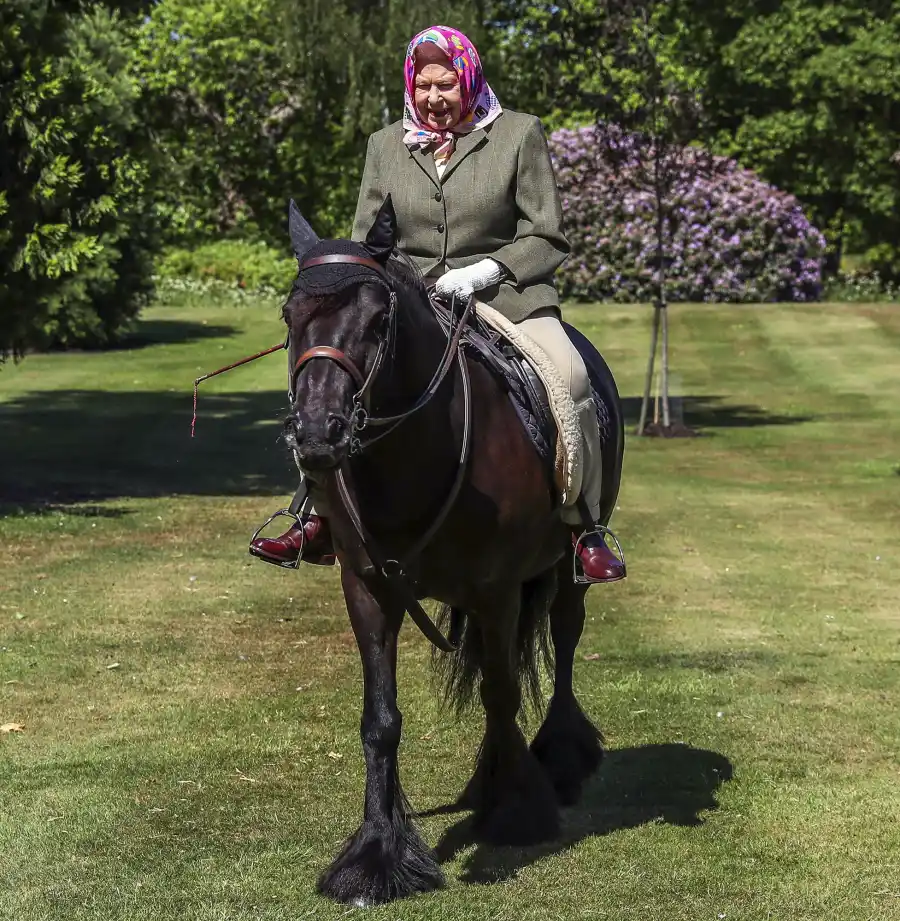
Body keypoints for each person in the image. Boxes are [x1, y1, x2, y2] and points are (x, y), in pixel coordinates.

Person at [250, 24, 625, 583]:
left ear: (468, 78)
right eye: (423, 86)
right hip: (412, 303)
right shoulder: (385, 145)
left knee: (570, 377)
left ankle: (583, 525)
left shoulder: (519, 135)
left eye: (446, 85)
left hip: (508, 297)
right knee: (338, 384)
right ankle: (318, 514)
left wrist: (486, 271)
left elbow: (546, 236)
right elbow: (366, 244)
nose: (433, 98)